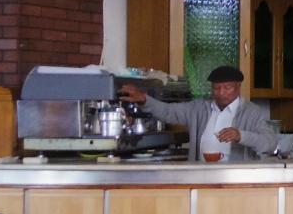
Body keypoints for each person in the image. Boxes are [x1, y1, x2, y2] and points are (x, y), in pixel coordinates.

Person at [119, 65, 278, 163]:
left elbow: (270, 143)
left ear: (238, 87)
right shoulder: (199, 108)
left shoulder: (251, 112)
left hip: (235, 179)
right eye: (216, 88)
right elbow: (168, 112)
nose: (221, 93)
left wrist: (241, 136)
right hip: (201, 176)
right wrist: (144, 100)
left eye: (227, 88)